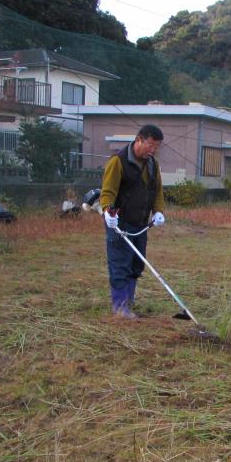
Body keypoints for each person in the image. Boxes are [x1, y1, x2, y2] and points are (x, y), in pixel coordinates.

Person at [99, 124, 166, 318]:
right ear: (139, 140)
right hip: (119, 223)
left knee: (136, 264)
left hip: (141, 223)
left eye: (156, 147)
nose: (153, 150)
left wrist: (158, 212)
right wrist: (107, 213)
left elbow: (157, 191)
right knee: (120, 263)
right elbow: (108, 192)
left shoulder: (153, 165)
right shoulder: (118, 162)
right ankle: (120, 307)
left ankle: (128, 301)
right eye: (150, 145)